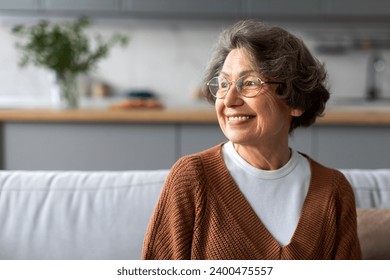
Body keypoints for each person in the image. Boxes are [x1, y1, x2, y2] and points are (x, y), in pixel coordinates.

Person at [142, 20, 362, 260]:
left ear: (295, 101)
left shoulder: (334, 191)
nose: (229, 100)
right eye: (224, 84)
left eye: (249, 83)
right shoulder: (192, 179)